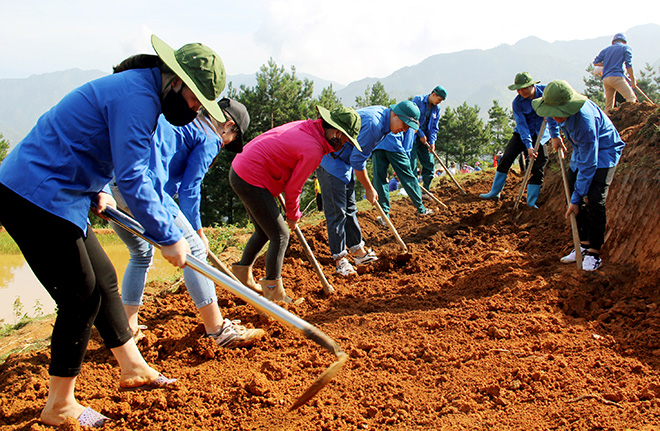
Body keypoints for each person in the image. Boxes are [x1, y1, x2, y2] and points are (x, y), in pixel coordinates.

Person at [0, 35, 226, 427]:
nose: (193, 110)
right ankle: (59, 405)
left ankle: (133, 367)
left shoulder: (142, 91)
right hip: (34, 193)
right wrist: (167, 236)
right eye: (193, 100)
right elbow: (134, 175)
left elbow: (98, 143)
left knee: (103, 280)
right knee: (81, 297)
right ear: (176, 80)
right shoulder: (136, 97)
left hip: (64, 191)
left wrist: (100, 190)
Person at [110, 99, 264, 347]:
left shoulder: (186, 122)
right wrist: (198, 232)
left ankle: (129, 327)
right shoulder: (210, 136)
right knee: (194, 250)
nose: (226, 144)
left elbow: (170, 181)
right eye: (232, 139)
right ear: (229, 126)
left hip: (115, 185)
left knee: (140, 253)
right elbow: (190, 190)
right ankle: (218, 330)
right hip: (143, 187)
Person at [230, 105, 361, 300]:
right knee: (280, 235)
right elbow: (293, 189)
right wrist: (293, 215)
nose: (344, 145)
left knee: (264, 231)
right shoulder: (314, 149)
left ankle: (242, 274)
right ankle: (274, 293)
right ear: (336, 132)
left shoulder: (308, 128)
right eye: (345, 140)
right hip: (252, 177)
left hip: (241, 169)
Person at [317, 101, 420, 275]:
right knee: (337, 212)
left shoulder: (384, 120)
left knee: (350, 208)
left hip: (345, 162)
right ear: (395, 114)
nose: (404, 130)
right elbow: (358, 161)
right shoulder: (374, 125)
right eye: (404, 125)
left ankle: (358, 252)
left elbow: (357, 158)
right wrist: (369, 189)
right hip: (331, 160)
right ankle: (340, 260)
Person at [532, 80, 625, 271]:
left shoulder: (585, 123)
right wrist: (555, 135)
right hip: (581, 150)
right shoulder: (554, 110)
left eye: (559, 113)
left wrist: (576, 198)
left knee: (595, 199)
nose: (555, 115)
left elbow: (590, 164)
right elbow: (549, 114)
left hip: (604, 152)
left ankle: (594, 252)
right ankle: (582, 244)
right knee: (573, 188)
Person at [480, 72, 561, 207]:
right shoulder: (517, 103)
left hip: (541, 134)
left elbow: (552, 115)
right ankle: (494, 192)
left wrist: (555, 135)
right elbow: (522, 125)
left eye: (524, 88)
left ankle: (531, 202)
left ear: (532, 85)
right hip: (523, 133)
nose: (521, 92)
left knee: (539, 165)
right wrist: (528, 145)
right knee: (506, 159)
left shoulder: (546, 93)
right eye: (518, 89)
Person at [372, 128, 433, 219]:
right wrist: (406, 163)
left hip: (377, 146)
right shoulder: (412, 122)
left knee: (380, 180)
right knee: (408, 178)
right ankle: (421, 209)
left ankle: (384, 216)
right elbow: (407, 145)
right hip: (394, 144)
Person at [409, 85, 446, 192]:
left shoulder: (436, 108)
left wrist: (432, 141)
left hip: (426, 140)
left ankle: (426, 189)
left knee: (429, 163)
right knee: (412, 164)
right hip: (413, 137)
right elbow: (411, 119)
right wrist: (420, 134)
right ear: (433, 94)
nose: (439, 102)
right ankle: (414, 190)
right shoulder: (418, 100)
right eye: (439, 99)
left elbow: (434, 127)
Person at [593, 32, 637, 116]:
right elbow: (628, 64)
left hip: (606, 79)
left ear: (613, 41)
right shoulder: (625, 48)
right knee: (631, 98)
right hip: (617, 77)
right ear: (624, 41)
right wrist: (633, 80)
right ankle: (629, 119)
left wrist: (607, 63)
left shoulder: (606, 50)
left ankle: (606, 123)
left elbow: (595, 63)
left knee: (609, 106)